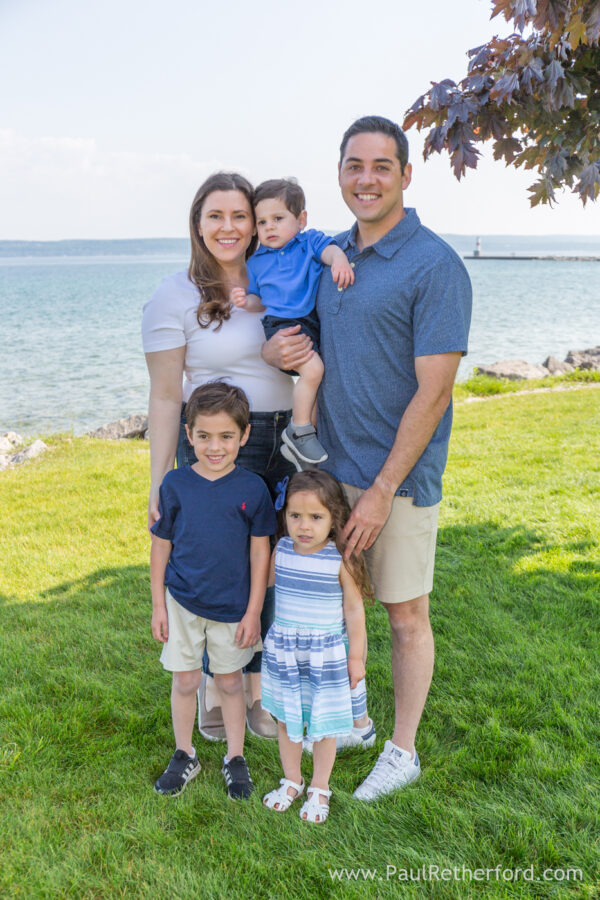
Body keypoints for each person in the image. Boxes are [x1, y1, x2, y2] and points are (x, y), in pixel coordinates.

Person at [263, 115, 472, 801]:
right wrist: (273, 350)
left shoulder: (434, 265)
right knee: (333, 608)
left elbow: (435, 391)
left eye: (382, 166)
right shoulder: (329, 257)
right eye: (355, 165)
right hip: (329, 475)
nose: (367, 179)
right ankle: (352, 721)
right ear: (340, 174)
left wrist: (383, 488)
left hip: (398, 481)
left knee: (404, 614)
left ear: (406, 175)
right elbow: (301, 337)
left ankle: (402, 751)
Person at [142, 172, 297, 742]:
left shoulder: (280, 277)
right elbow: (165, 397)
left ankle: (254, 689)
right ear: (197, 223)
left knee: (269, 565)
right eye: (216, 216)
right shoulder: (174, 295)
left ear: (257, 224)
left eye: (240, 216)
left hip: (290, 439)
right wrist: (159, 480)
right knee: (218, 565)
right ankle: (212, 688)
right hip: (222, 445)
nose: (229, 227)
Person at [150, 382, 276, 799]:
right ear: (188, 435)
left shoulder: (253, 489)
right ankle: (184, 753)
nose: (215, 447)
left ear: (244, 435)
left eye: (226, 436)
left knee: (229, 682)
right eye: (204, 436)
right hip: (182, 602)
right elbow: (161, 546)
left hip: (233, 607)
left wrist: (254, 611)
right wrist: (159, 606)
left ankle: (235, 757)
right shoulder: (174, 485)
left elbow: (260, 553)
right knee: (186, 680)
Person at [261, 470, 372, 823]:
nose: (304, 526)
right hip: (287, 654)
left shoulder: (337, 559)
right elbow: (262, 584)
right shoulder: (281, 551)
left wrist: (356, 657)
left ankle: (320, 787)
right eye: (295, 515)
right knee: (286, 719)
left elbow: (354, 611)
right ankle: (292, 780)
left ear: (334, 518)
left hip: (325, 656)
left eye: (315, 517)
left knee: (323, 726)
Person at [230, 178, 354, 468]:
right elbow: (259, 301)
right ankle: (298, 431)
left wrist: (339, 260)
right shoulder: (257, 262)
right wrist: (244, 300)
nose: (269, 227)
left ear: (301, 219)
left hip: (310, 321)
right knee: (313, 370)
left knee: (320, 379)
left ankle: (303, 446)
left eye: (278, 219)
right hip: (282, 325)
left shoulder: (309, 242)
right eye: (262, 222)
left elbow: (330, 251)